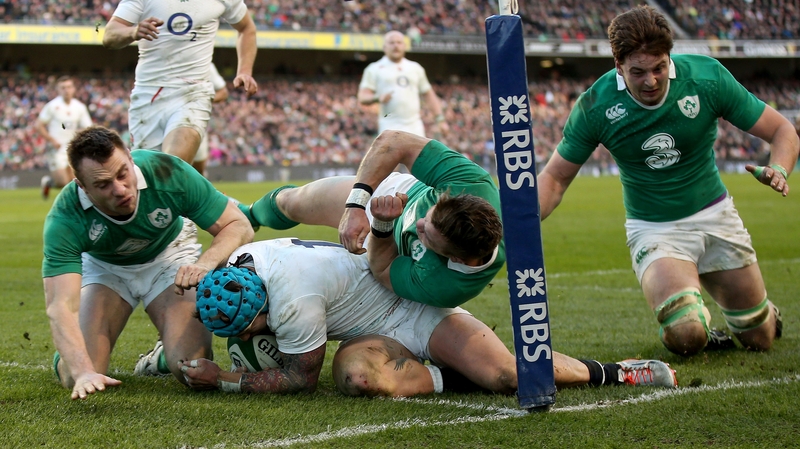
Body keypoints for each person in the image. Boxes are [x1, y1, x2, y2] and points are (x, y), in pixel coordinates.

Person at [537, 6, 799, 356]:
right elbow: (555, 178)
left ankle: (763, 315)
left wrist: (779, 168)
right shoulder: (596, 106)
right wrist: (518, 222)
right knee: (686, 333)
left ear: (669, 57)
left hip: (716, 215)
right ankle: (701, 326)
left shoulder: (706, 79)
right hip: (654, 229)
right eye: (638, 72)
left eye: (659, 68)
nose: (650, 81)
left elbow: (782, 130)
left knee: (760, 339)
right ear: (618, 65)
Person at [179, 238, 678, 396]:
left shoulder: (292, 301)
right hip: (364, 328)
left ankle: (617, 372)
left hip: (412, 309)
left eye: (252, 327)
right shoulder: (239, 266)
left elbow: (299, 378)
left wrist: (224, 378)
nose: (253, 335)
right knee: (356, 379)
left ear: (264, 307)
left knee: (506, 375)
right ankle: (455, 375)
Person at [42, 126, 253, 400]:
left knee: (191, 368)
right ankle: (70, 352)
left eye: (122, 173)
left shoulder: (167, 171)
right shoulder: (64, 217)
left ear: (130, 158)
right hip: (106, 269)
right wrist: (82, 371)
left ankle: (163, 356)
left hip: (170, 256)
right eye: (103, 184)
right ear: (81, 185)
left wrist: (204, 264)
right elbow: (60, 305)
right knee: (77, 374)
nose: (119, 189)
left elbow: (238, 225)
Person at [238, 130, 505, 308]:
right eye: (428, 215)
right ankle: (247, 216)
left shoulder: (445, 285)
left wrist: (383, 225)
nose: (418, 225)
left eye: (426, 235)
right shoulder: (472, 184)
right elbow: (394, 140)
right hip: (389, 193)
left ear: (456, 258)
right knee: (291, 202)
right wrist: (356, 205)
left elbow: (382, 269)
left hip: (384, 244)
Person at [102, 0, 258, 166]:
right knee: (150, 173)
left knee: (173, 164)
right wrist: (133, 32)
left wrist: (245, 71)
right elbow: (109, 35)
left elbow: (247, 28)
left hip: (193, 92)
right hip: (149, 94)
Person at [357, 30, 449, 139]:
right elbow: (363, 97)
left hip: (415, 126)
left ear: (404, 46)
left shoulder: (415, 68)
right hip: (389, 125)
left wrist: (440, 119)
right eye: (391, 43)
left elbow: (428, 94)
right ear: (384, 47)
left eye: (399, 42)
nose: (396, 45)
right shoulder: (374, 69)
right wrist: (377, 97)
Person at [35, 76, 93, 199]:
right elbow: (39, 125)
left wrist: (77, 133)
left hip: (72, 148)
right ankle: (49, 182)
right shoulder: (52, 106)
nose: (66, 90)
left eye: (69, 87)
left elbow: (88, 127)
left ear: (73, 89)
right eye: (63, 88)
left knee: (72, 182)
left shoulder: (79, 107)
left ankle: (72, 204)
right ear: (58, 90)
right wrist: (52, 140)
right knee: (62, 182)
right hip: (57, 148)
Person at [192, 62, 229, 177]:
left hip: (195, 121)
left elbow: (223, 93)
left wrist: (202, 100)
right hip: (159, 120)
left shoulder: (203, 61)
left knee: (198, 168)